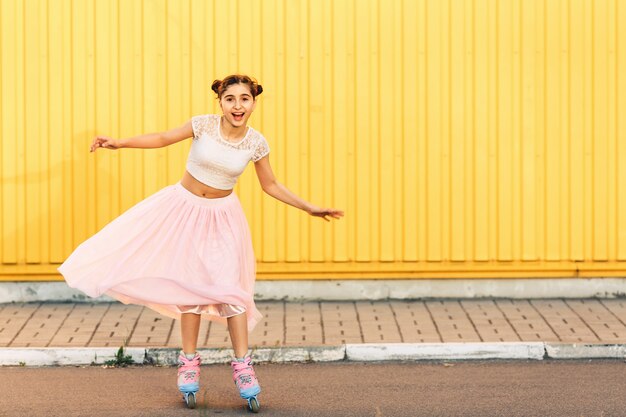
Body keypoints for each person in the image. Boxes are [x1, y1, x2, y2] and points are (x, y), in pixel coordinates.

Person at [57, 74, 344, 411]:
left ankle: (243, 367)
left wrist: (310, 207)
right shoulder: (203, 125)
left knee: (231, 292)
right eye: (230, 99)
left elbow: (271, 185)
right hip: (183, 210)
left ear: (254, 102)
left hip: (222, 218)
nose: (237, 106)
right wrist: (119, 143)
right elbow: (163, 137)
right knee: (189, 290)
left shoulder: (256, 142)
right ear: (220, 101)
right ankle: (189, 362)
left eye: (244, 99)